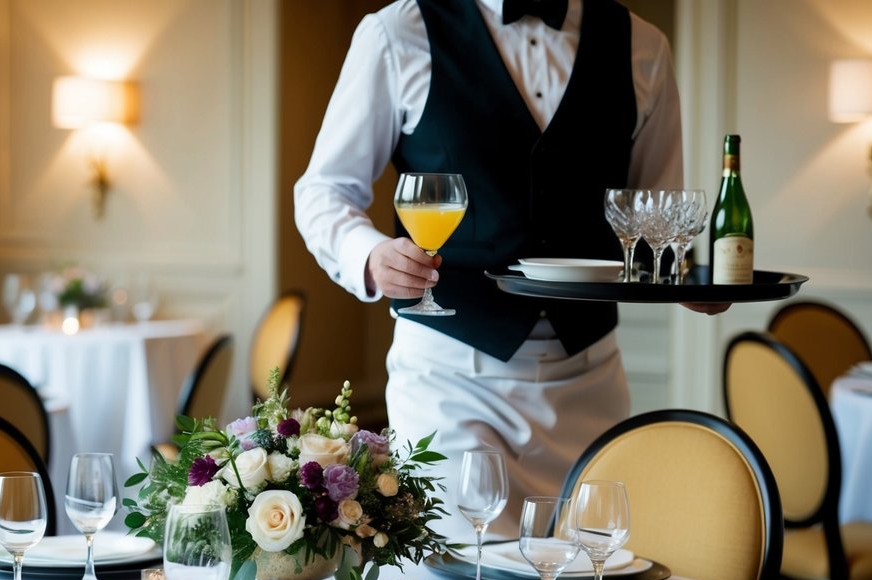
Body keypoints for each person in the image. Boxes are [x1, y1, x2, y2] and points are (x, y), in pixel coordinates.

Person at [294, 0, 689, 538]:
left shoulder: (643, 46)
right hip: (450, 380)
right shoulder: (398, 32)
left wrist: (688, 277)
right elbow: (324, 190)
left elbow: (657, 214)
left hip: (592, 382)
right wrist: (368, 255)